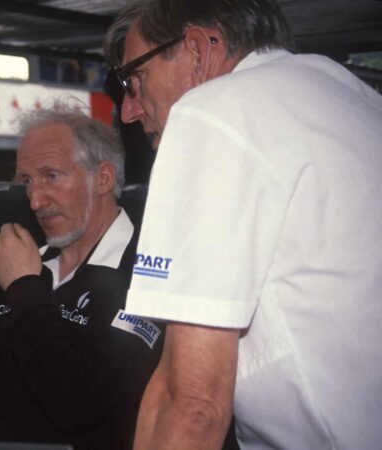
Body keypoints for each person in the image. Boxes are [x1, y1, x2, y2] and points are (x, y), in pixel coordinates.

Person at [103, 1, 382, 449]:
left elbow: (192, 403)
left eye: (134, 79)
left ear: (197, 48)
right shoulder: (350, 93)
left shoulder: (210, 110)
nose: (129, 112)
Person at [0, 103, 163, 450]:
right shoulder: (28, 263)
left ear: (102, 178)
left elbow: (77, 402)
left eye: (51, 176)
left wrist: (24, 289)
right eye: (27, 181)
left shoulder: (145, 275)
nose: (35, 200)